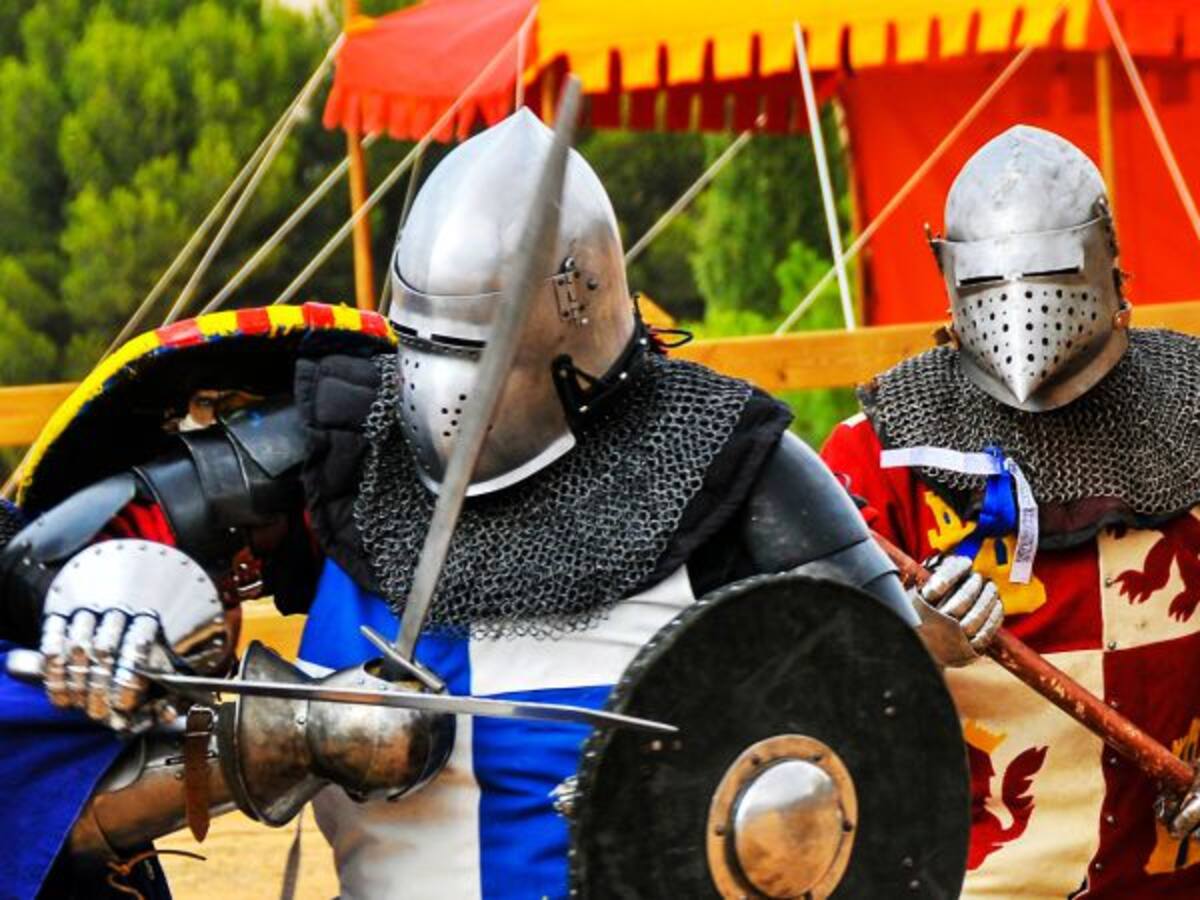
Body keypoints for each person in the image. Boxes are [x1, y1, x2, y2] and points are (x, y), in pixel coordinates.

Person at [0, 109, 920, 899]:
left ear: (579, 322)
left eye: (484, 356)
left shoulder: (726, 462)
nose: (450, 395)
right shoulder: (339, 445)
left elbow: (889, 713)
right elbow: (65, 548)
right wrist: (125, 603)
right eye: (428, 348)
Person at [821, 123, 1200, 898]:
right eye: (992, 284)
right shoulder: (881, 456)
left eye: (1054, 272)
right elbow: (803, 677)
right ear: (950, 278)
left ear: (1109, 266)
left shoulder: (1192, 409)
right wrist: (906, 637)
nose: (1025, 311)